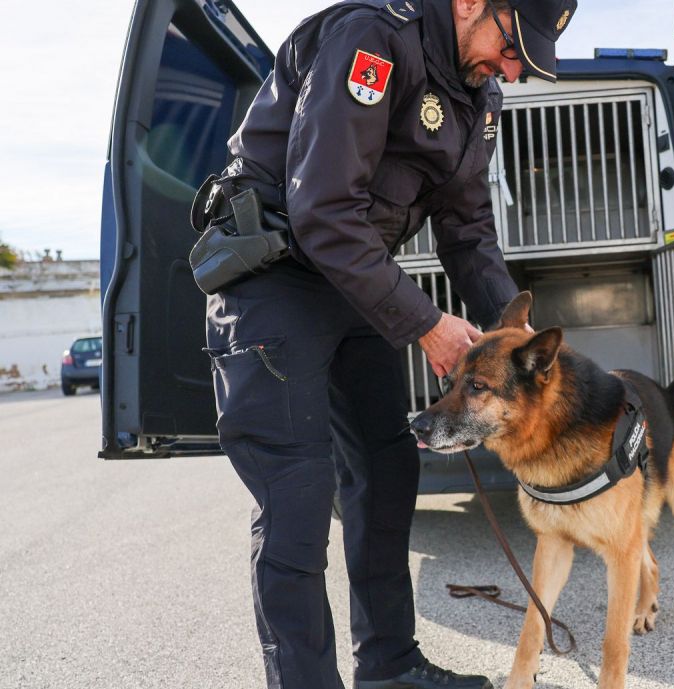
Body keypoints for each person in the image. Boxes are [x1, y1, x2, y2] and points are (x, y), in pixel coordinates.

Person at [192, 1, 577, 687]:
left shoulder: (473, 94)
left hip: (354, 285)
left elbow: (469, 236)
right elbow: (324, 210)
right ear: (469, 4)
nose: (513, 72)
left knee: (386, 467)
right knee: (298, 498)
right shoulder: (373, 40)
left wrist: (528, 356)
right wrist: (427, 325)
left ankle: (389, 665)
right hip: (274, 282)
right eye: (513, 47)